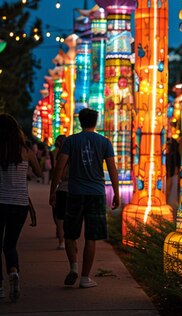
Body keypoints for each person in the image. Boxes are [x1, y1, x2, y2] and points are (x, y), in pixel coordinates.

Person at [49, 108, 119, 289]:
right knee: (92, 237)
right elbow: (112, 170)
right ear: (96, 122)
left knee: (70, 233)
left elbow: (59, 167)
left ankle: (73, 267)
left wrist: (53, 190)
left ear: (80, 121)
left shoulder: (71, 141)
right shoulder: (104, 142)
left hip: (75, 193)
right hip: (96, 194)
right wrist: (116, 193)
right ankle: (85, 278)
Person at [0, 114, 41, 301]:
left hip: (1, 202)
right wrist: (26, 172)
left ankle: (0, 287)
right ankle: (13, 272)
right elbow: (39, 172)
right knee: (10, 244)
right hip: (19, 204)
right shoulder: (26, 151)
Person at [51, 134, 67, 249]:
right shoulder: (75, 153)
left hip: (62, 187)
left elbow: (58, 170)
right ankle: (68, 239)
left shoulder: (58, 153)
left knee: (59, 215)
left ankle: (61, 240)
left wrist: (52, 192)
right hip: (74, 189)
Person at [165, 138, 181, 219]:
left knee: (169, 190)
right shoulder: (175, 155)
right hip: (172, 176)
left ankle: (167, 201)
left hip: (170, 176)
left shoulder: (169, 156)